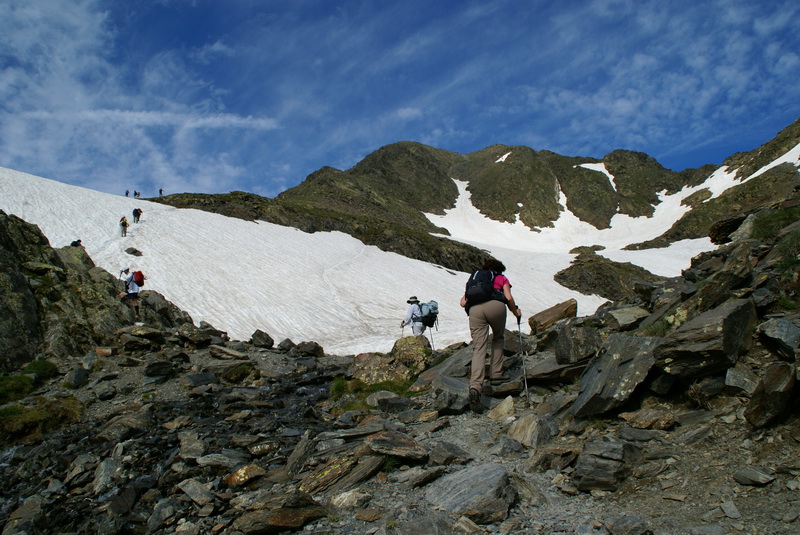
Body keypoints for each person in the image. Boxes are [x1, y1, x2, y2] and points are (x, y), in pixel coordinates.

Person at [460, 259, 522, 414]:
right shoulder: (500, 278)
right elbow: (507, 297)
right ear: (500, 269)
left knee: (479, 348)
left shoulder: (476, 278)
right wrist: (516, 312)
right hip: (496, 306)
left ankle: (475, 386)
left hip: (474, 310)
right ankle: (496, 374)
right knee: (498, 338)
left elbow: (462, 303)